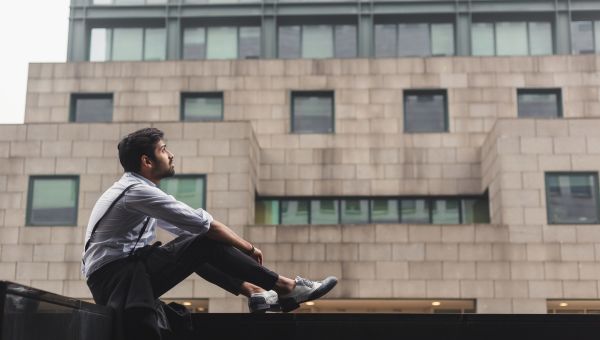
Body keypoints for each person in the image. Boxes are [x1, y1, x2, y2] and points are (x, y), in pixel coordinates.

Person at [81, 127, 337, 339]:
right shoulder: (137, 191)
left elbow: (187, 230)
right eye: (163, 150)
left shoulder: (137, 190)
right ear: (146, 161)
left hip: (120, 276)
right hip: (116, 280)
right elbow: (207, 226)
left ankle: (255, 292)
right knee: (202, 241)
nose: (170, 155)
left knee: (193, 245)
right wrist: (247, 247)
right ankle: (286, 286)